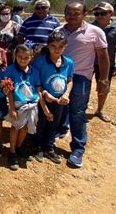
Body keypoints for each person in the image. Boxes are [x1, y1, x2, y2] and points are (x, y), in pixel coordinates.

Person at [55, 2, 109, 168]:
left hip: (81, 77)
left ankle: (78, 148)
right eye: (69, 13)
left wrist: (103, 79)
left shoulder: (95, 32)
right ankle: (59, 131)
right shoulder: (58, 32)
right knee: (58, 107)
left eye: (76, 13)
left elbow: (103, 57)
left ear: (84, 14)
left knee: (77, 112)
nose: (72, 16)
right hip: (59, 76)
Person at [32, 31, 74, 164]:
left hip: (60, 100)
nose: (57, 50)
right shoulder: (40, 62)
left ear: (65, 47)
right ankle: (37, 146)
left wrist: (66, 94)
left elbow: (70, 80)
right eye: (53, 46)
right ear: (48, 46)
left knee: (54, 123)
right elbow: (35, 83)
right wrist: (44, 93)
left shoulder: (68, 62)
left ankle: (49, 147)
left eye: (60, 47)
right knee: (41, 123)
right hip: (43, 100)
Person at [2, 44, 41, 171]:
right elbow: (10, 91)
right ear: (15, 56)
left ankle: (19, 147)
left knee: (24, 128)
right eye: (20, 57)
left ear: (31, 57)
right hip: (18, 105)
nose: (23, 60)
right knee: (16, 127)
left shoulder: (34, 71)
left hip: (31, 104)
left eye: (26, 57)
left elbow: (37, 88)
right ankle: (12, 151)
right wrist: (12, 108)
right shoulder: (10, 70)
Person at [92, 1, 116, 122]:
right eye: (96, 14)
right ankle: (80, 108)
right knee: (83, 87)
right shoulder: (89, 27)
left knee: (103, 86)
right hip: (89, 62)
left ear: (111, 13)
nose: (99, 16)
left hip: (107, 64)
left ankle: (99, 110)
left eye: (103, 13)